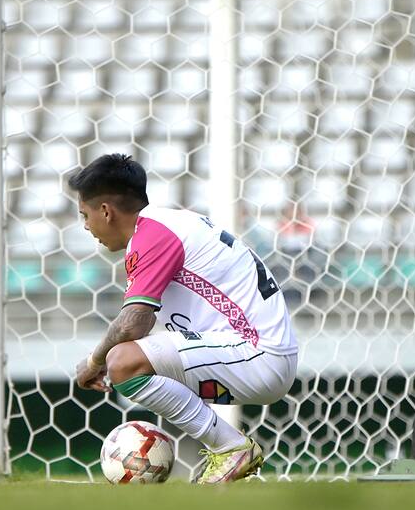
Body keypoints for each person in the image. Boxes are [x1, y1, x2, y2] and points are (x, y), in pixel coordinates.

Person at [71, 154, 298, 484]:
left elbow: (134, 322)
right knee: (131, 364)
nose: (87, 227)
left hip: (259, 354)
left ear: (105, 211)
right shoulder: (168, 224)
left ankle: (232, 448)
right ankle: (226, 451)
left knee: (122, 361)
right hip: (260, 353)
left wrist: (95, 360)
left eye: (85, 215)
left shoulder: (153, 235)